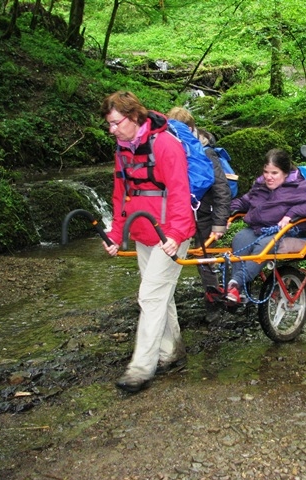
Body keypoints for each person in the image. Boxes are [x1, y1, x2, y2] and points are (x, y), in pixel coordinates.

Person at [100, 91, 196, 393]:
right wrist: (116, 234)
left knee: (151, 296)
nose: (112, 130)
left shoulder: (166, 144)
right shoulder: (122, 149)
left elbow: (180, 191)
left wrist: (177, 234)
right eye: (109, 125)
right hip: (143, 232)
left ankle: (141, 368)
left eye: (116, 123)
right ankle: (171, 351)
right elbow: (120, 195)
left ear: (133, 117)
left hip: (170, 234)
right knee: (160, 294)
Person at [224, 149, 306, 303]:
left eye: (274, 173)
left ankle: (234, 284)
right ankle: (238, 292)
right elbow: (245, 201)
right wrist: (227, 212)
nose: (268, 177)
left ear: (285, 173)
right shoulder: (260, 185)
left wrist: (292, 213)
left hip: (285, 232)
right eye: (266, 172)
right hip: (257, 228)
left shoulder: (300, 187)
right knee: (239, 239)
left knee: (263, 247)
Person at [166, 107, 232, 295]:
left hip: (204, 214)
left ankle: (215, 304)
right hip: (182, 213)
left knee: (204, 261)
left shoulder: (206, 153)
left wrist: (219, 223)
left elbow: (222, 188)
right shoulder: (173, 149)